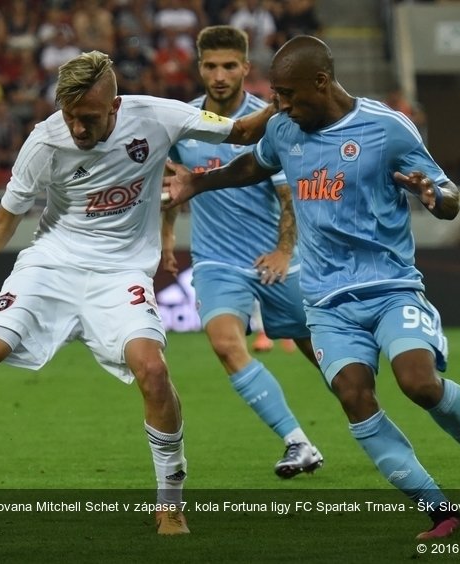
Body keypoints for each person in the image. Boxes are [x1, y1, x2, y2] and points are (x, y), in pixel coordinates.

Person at [0, 50, 276, 536]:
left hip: (120, 274)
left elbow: (244, 132)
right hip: (52, 265)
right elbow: (2, 223)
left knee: (154, 370)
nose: (78, 129)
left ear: (115, 106)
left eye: (89, 118)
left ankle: (169, 504)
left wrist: (281, 102)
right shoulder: (44, 141)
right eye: (70, 116)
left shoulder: (159, 116)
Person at [163, 35, 460, 540]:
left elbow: (447, 192)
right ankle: (440, 512)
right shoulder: (283, 128)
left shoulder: (385, 127)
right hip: (326, 303)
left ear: (320, 82)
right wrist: (197, 182)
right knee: (353, 394)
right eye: (275, 94)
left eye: (287, 94)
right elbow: (255, 165)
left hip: (390, 288)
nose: (278, 105)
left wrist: (438, 198)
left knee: (418, 382)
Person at [162, 25, 322, 478]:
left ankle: (366, 415)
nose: (219, 75)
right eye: (211, 65)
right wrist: (166, 239)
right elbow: (175, 184)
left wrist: (284, 252)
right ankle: (297, 441)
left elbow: (288, 196)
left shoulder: (267, 121)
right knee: (225, 343)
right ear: (199, 68)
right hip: (216, 262)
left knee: (326, 359)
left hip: (273, 261)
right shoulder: (184, 121)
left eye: (229, 65)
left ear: (245, 68)